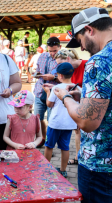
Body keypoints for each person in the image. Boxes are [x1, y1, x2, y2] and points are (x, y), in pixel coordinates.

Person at [53, 7, 112, 202]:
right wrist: (85, 96)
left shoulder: (100, 61)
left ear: (89, 29)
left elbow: (87, 121)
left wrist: (65, 97)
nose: (83, 49)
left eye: (80, 41)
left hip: (100, 167)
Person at [43, 62, 80, 178]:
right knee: (65, 147)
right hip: (69, 124)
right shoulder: (78, 88)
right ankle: (63, 170)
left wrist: (48, 92)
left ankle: (46, 169)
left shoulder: (56, 88)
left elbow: (49, 104)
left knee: (49, 146)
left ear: (60, 76)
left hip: (55, 123)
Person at [54, 49, 87, 165]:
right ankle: (79, 157)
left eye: (60, 64)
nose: (59, 66)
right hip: (76, 105)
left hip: (88, 104)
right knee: (77, 132)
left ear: (68, 59)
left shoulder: (88, 65)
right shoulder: (68, 71)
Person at [33, 36, 61, 148]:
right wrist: (36, 74)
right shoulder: (42, 56)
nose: (53, 53)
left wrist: (53, 78)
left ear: (60, 47)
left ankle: (50, 144)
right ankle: (41, 139)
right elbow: (37, 71)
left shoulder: (64, 58)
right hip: (40, 91)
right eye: (50, 51)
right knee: (37, 119)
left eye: (55, 51)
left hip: (54, 94)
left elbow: (67, 79)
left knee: (51, 120)